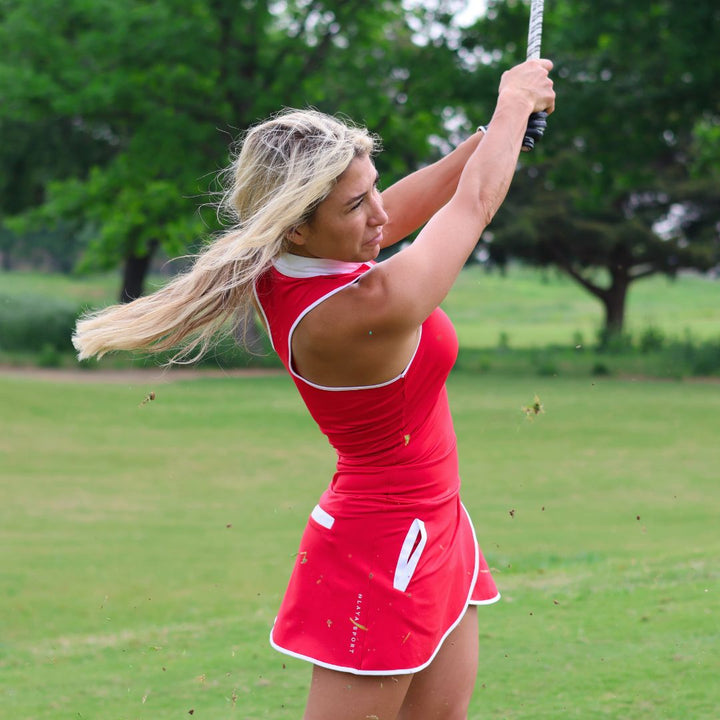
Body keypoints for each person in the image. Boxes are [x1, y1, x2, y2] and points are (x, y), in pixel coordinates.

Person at [74, 58, 555, 720]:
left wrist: (494, 134)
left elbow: (410, 205)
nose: (380, 215)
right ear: (297, 225)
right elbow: (473, 204)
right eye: (357, 204)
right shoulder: (358, 306)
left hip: (438, 519)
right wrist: (511, 103)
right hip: (382, 542)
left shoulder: (309, 255)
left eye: (373, 187)